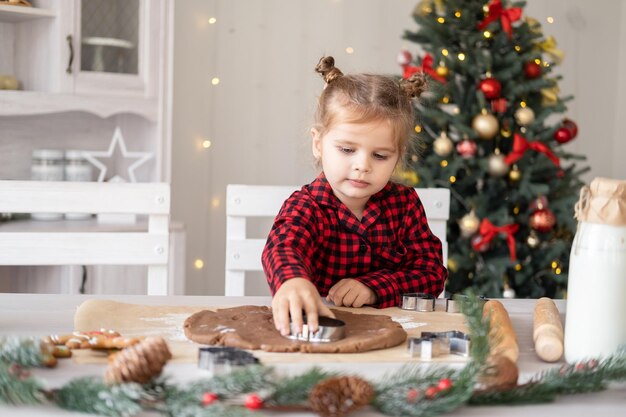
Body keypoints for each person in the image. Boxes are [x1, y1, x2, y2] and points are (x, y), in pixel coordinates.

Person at [262, 56, 447, 337]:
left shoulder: (405, 204)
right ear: (318, 143)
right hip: (321, 332)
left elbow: (431, 272)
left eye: (380, 155)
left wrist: (375, 288)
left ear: (397, 156)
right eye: (347, 150)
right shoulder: (307, 206)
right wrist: (292, 281)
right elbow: (283, 247)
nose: (363, 166)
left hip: (395, 334)